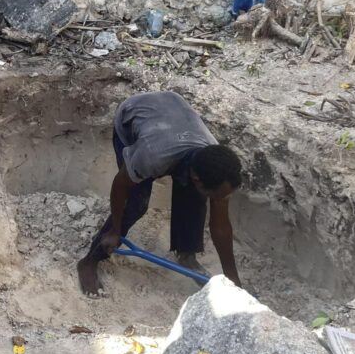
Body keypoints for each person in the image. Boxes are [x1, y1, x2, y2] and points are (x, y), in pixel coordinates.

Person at [77, 92, 244, 297]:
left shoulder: (217, 168)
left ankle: (186, 256)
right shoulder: (152, 156)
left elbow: (220, 226)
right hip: (133, 118)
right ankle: (89, 261)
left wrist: (232, 279)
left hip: (172, 112)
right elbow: (120, 186)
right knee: (135, 203)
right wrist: (116, 230)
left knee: (195, 199)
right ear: (197, 178)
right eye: (218, 196)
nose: (220, 199)